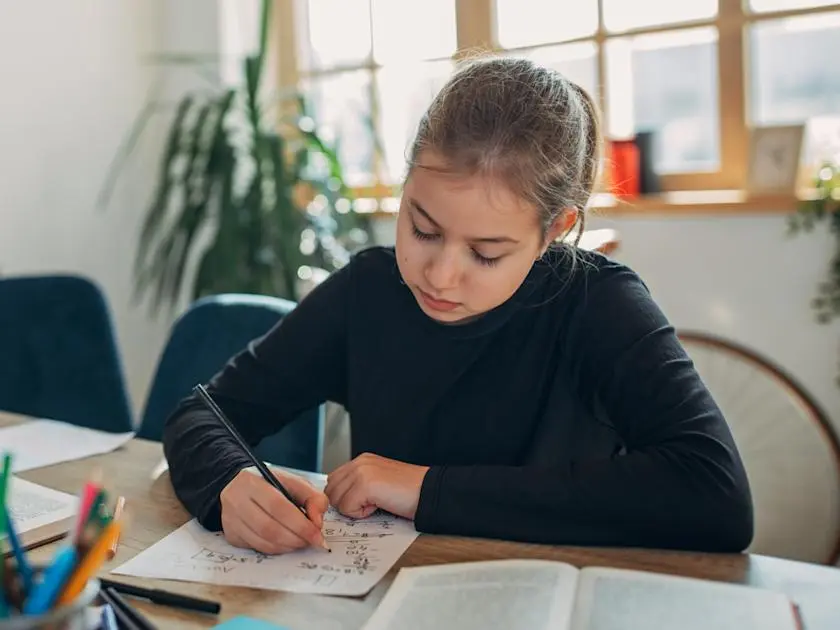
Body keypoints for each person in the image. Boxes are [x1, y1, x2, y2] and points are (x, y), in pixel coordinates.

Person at [162, 55, 754, 557]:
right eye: (422, 229)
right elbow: (200, 416)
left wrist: (427, 490)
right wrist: (229, 482)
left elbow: (716, 495)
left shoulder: (598, 305)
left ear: (554, 230)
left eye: (486, 253)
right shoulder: (368, 292)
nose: (440, 275)